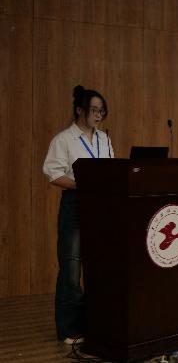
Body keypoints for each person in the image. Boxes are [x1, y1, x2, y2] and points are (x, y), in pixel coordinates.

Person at [43, 85, 114, 345]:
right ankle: (69, 328)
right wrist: (81, 184)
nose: (98, 115)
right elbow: (53, 174)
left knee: (100, 266)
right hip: (75, 204)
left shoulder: (104, 139)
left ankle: (96, 322)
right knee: (71, 268)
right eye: (94, 110)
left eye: (101, 111)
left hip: (101, 205)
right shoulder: (64, 139)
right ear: (79, 110)